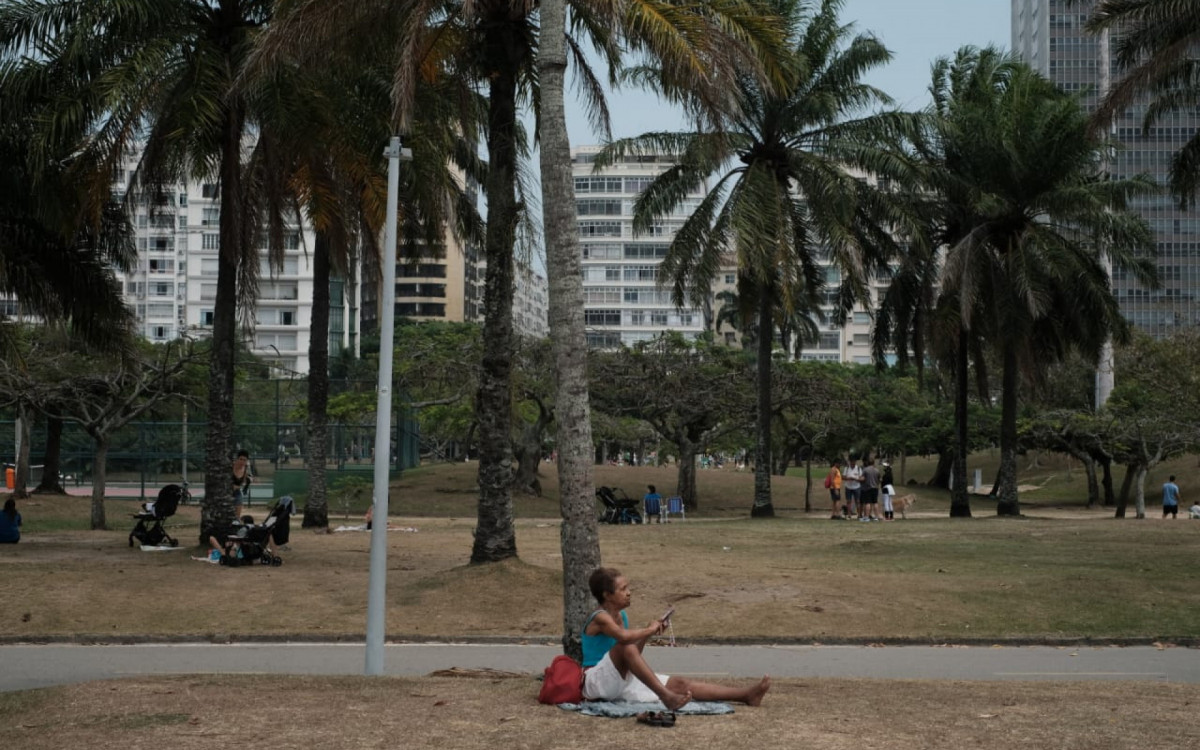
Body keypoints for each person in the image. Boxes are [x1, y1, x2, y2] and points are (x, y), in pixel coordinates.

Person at [581, 567, 770, 709]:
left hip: (620, 680)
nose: (629, 592)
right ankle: (666, 697)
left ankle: (746, 695)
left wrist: (648, 634)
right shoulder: (600, 617)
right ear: (607, 595)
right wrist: (648, 630)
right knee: (625, 645)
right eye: (623, 589)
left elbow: (631, 656)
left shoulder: (622, 617)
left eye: (628, 587)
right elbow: (623, 640)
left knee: (680, 684)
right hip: (596, 682)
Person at [232, 449, 253, 514]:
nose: (242, 462)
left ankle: (237, 520)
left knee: (239, 499)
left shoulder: (246, 469)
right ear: (237, 459)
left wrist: (240, 486)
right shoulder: (230, 466)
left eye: (244, 460)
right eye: (240, 459)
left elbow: (250, 479)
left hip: (237, 491)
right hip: (226, 491)